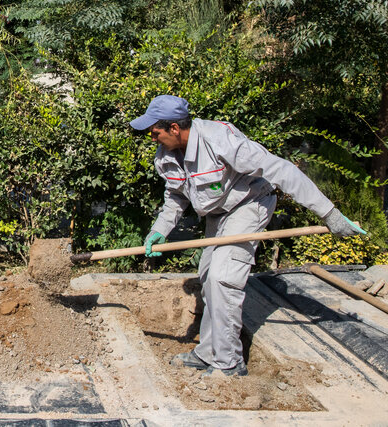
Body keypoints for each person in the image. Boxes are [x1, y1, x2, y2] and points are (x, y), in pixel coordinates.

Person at [130, 95, 366, 377]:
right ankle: (208, 352)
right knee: (207, 277)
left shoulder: (219, 140)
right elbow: (175, 197)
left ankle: (228, 363)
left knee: (223, 276)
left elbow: (282, 170)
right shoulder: (166, 156)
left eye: (154, 131)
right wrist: (159, 230)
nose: (151, 137)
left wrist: (329, 213)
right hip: (218, 214)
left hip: (249, 204)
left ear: (174, 128)